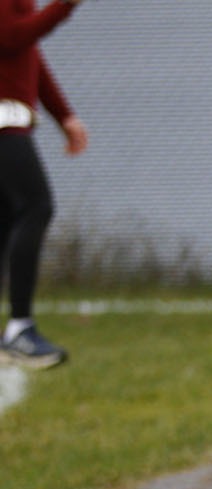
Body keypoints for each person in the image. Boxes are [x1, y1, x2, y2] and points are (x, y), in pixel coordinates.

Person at [0, 0, 88, 371]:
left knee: (5, 223)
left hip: (12, 123)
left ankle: (16, 331)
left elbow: (28, 52)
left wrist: (63, 114)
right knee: (37, 206)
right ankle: (20, 328)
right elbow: (11, 37)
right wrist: (65, 6)